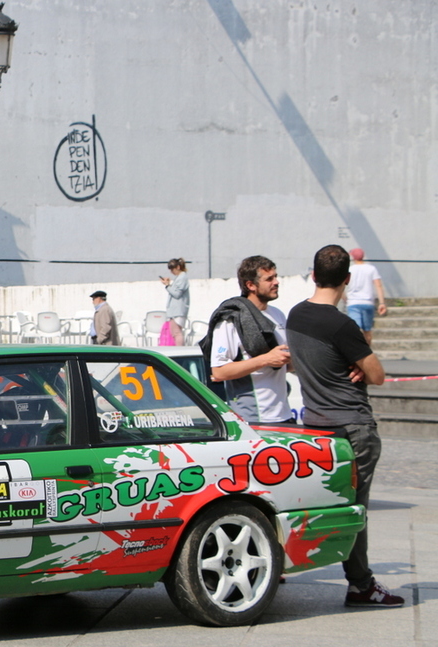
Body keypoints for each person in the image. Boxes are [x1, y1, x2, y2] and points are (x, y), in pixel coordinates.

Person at [286, 244, 403, 608]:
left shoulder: (296, 315)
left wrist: (345, 363)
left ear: (314, 275)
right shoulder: (342, 325)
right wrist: (357, 365)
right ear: (348, 280)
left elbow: (307, 361)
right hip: (353, 426)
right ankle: (361, 584)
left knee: (323, 504)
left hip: (316, 427)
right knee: (355, 509)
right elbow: (378, 375)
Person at [207, 256, 294, 424]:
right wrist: (266, 359)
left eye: (276, 277)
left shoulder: (278, 314)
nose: (276, 282)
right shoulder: (231, 319)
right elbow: (219, 371)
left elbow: (285, 365)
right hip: (253, 419)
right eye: (269, 279)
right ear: (251, 285)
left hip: (283, 415)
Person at [345, 248, 387, 344]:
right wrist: (382, 303)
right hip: (368, 302)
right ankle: (367, 350)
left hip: (353, 302)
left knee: (354, 330)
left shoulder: (350, 269)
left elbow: (342, 285)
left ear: (353, 257)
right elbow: (378, 285)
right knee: (367, 331)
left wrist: (345, 299)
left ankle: (356, 351)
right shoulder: (371, 269)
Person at [160, 258, 189, 345]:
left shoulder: (182, 277)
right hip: (175, 311)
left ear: (178, 267)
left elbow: (177, 294)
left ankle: (179, 349)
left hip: (178, 311)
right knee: (174, 332)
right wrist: (169, 285)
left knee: (176, 332)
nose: (171, 272)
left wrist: (167, 286)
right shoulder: (180, 278)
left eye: (172, 269)